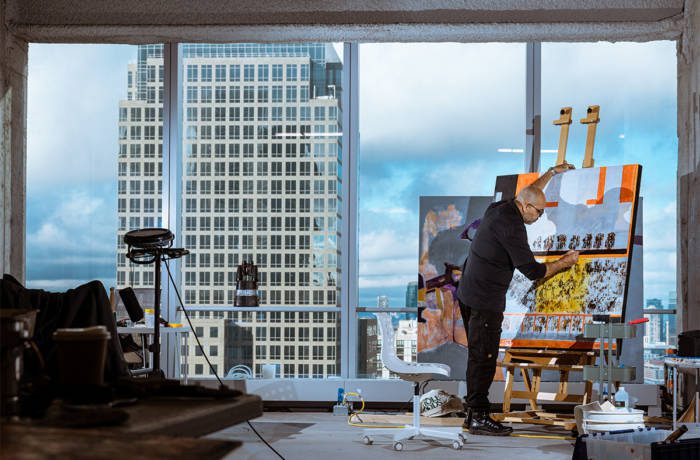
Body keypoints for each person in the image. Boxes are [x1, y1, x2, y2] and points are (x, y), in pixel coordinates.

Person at [456, 162, 580, 436]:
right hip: (484, 300)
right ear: (524, 208)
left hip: (467, 293)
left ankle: (471, 415)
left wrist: (551, 173)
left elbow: (531, 191)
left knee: (477, 356)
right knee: (484, 358)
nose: (540, 216)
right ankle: (478, 416)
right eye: (538, 212)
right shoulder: (512, 226)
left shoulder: (499, 207)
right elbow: (533, 271)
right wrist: (564, 262)